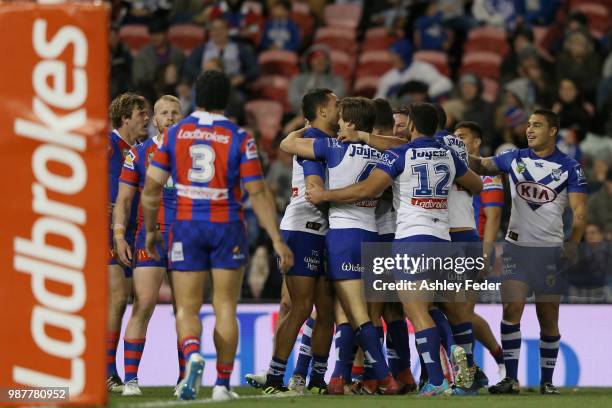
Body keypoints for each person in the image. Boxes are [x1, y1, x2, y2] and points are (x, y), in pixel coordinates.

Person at [307, 102, 483, 396]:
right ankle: (461, 361)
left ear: (412, 126)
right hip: (444, 241)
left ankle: (437, 381)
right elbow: (476, 184)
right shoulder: (449, 153)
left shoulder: (400, 154)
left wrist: (326, 194)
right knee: (444, 308)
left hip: (411, 240)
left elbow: (368, 190)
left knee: (416, 312)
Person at [140, 71, 293, 401]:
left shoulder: (173, 134)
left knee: (187, 308)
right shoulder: (241, 137)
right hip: (227, 226)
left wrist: (151, 230)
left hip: (185, 225)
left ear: (196, 97)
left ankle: (193, 352)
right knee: (225, 305)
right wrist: (277, 240)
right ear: (227, 100)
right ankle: (223, 384)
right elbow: (259, 192)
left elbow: (151, 189)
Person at [281, 97, 400, 395]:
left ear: (349, 121)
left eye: (343, 118)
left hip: (343, 236)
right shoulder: (383, 154)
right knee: (359, 314)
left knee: (352, 314)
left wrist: (302, 129)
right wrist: (365, 137)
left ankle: (385, 378)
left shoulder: (332, 147)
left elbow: (287, 145)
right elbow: (401, 145)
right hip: (372, 235)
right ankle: (341, 378)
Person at [469, 109, 588, 395]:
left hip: (549, 253)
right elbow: (483, 166)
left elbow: (580, 211)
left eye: (537, 125)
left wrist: (572, 243)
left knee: (548, 317)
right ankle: (510, 378)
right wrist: (455, 155)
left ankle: (547, 381)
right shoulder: (515, 158)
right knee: (511, 309)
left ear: (553, 130)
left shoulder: (570, 167)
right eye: (529, 125)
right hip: (516, 249)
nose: (530, 130)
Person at [246, 89, 338, 395]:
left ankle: (316, 379)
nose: (341, 108)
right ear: (322, 111)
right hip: (304, 227)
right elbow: (315, 190)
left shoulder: (329, 139)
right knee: (299, 306)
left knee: (326, 311)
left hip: (329, 230)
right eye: (336, 103)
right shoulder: (311, 141)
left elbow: (286, 141)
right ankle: (275, 376)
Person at [113, 95, 183, 396]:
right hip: (149, 236)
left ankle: (184, 380)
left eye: (175, 113)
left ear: (182, 118)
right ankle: (131, 380)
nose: (169, 117)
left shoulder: (194, 154)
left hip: (185, 236)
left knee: (186, 309)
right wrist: (118, 236)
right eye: (163, 113)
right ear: (155, 120)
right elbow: (124, 200)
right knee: (143, 304)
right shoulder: (138, 154)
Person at [454, 120, 507, 379]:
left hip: (475, 246)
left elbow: (493, 215)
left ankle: (472, 371)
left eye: (462, 137)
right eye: (455, 136)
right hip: (455, 245)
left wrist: (486, 254)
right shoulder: (453, 165)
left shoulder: (488, 171)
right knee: (461, 312)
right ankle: (498, 358)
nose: (457, 140)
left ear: (476, 143)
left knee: (462, 313)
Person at [107, 92, 150, 393]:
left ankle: (110, 369)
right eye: (141, 113)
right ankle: (107, 371)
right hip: (108, 230)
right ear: (125, 118)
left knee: (125, 301)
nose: (146, 118)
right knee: (118, 298)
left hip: (133, 232)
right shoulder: (107, 145)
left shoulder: (136, 150)